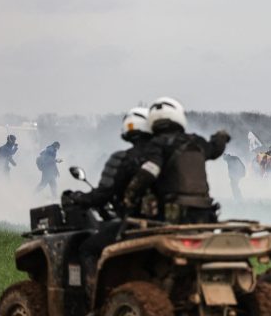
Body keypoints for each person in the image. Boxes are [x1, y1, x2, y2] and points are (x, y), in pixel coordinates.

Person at [63, 107, 153, 299]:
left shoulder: (124, 158)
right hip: (167, 224)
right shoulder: (165, 157)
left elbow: (103, 194)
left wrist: (79, 198)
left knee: (87, 249)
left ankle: (96, 301)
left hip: (134, 225)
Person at [123, 97, 230, 224]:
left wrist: (130, 195)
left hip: (172, 213)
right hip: (204, 209)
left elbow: (150, 171)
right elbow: (215, 149)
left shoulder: (156, 143)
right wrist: (221, 137)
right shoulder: (196, 141)